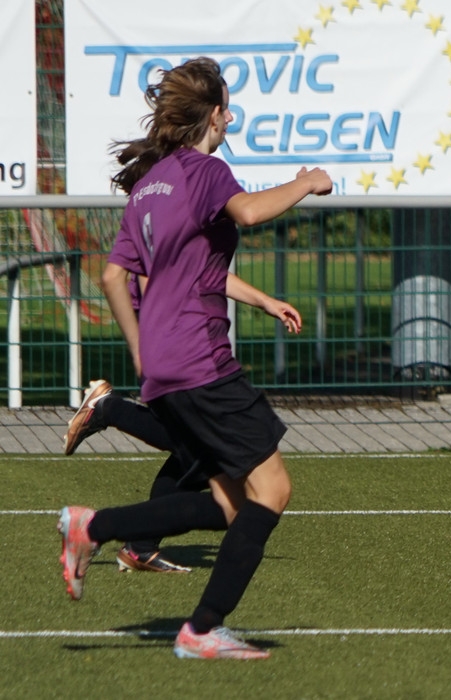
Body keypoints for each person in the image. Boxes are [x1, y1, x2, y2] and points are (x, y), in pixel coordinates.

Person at [57, 56, 333, 660]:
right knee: (272, 489)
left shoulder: (150, 186)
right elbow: (250, 212)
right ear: (213, 116)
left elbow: (114, 277)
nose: (231, 119)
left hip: (164, 363)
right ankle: (201, 630)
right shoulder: (206, 171)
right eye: (228, 110)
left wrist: (142, 350)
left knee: (233, 504)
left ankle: (93, 528)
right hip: (201, 357)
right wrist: (308, 182)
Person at [63, 274, 305, 574]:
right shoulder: (171, 247)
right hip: (181, 346)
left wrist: (265, 302)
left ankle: (140, 544)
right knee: (209, 450)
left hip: (192, 344)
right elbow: (125, 275)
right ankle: (108, 411)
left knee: (195, 452)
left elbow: (207, 270)